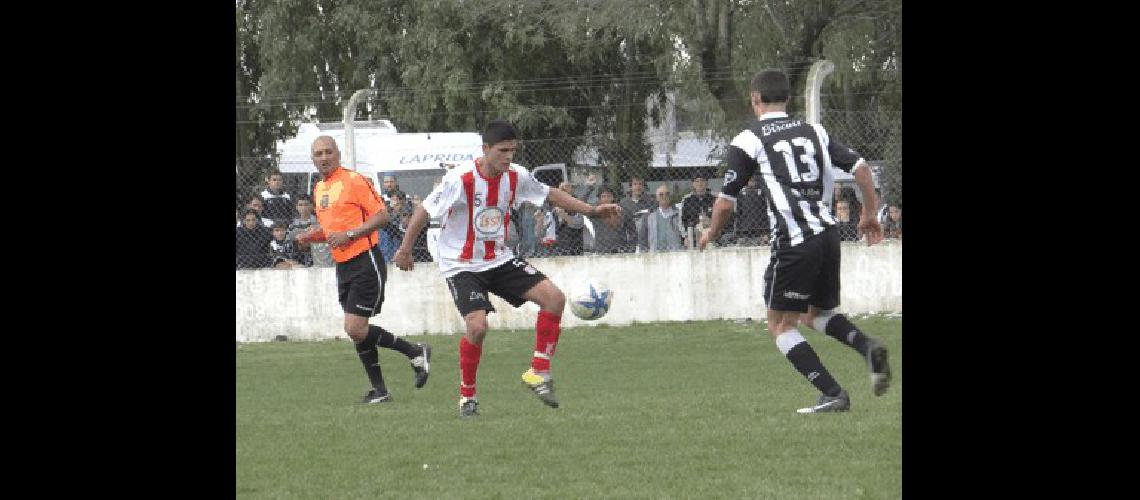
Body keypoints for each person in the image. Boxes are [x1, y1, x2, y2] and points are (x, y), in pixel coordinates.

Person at [392, 120, 622, 418]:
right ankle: (468, 396)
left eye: (513, 150)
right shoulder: (460, 179)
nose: (508, 156)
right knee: (477, 327)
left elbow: (550, 193)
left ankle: (538, 371)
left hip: (498, 258)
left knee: (554, 299)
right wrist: (405, 248)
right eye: (502, 150)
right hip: (461, 264)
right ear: (485, 149)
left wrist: (591, 211)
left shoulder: (516, 176)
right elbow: (425, 210)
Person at [698, 69, 891, 414]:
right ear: (788, 99)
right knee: (814, 314)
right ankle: (867, 347)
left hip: (794, 240)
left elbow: (726, 201)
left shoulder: (748, 138)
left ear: (754, 99)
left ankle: (833, 393)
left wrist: (711, 232)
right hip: (829, 236)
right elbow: (861, 168)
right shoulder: (813, 131)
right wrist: (869, 214)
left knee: (779, 324)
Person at [295, 135, 432, 405]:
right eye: (318, 154)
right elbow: (333, 231)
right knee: (357, 329)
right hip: (343, 264)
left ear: (338, 154)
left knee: (355, 327)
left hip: (365, 259)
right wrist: (311, 236)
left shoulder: (353, 180)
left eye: (328, 152)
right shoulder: (320, 188)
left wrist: (351, 233)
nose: (323, 157)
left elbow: (382, 216)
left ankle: (415, 351)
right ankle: (380, 391)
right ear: (313, 159)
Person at [636, 185, 685, 252]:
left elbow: (685, 237)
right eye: (661, 195)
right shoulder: (649, 217)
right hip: (656, 256)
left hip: (675, 255)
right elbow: (642, 240)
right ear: (657, 198)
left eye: (667, 194)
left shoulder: (679, 215)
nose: (664, 197)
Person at [619, 176, 655, 252]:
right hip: (631, 243)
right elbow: (621, 226)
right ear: (630, 187)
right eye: (635, 184)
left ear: (644, 187)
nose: (638, 187)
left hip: (648, 242)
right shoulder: (623, 203)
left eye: (640, 184)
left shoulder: (651, 202)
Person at [680, 176, 715, 246]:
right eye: (697, 181)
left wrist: (711, 222)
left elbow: (720, 218)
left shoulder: (714, 199)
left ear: (707, 183)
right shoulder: (687, 200)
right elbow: (681, 220)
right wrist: (685, 236)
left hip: (710, 237)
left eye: (702, 180)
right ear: (693, 184)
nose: (700, 183)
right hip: (692, 238)